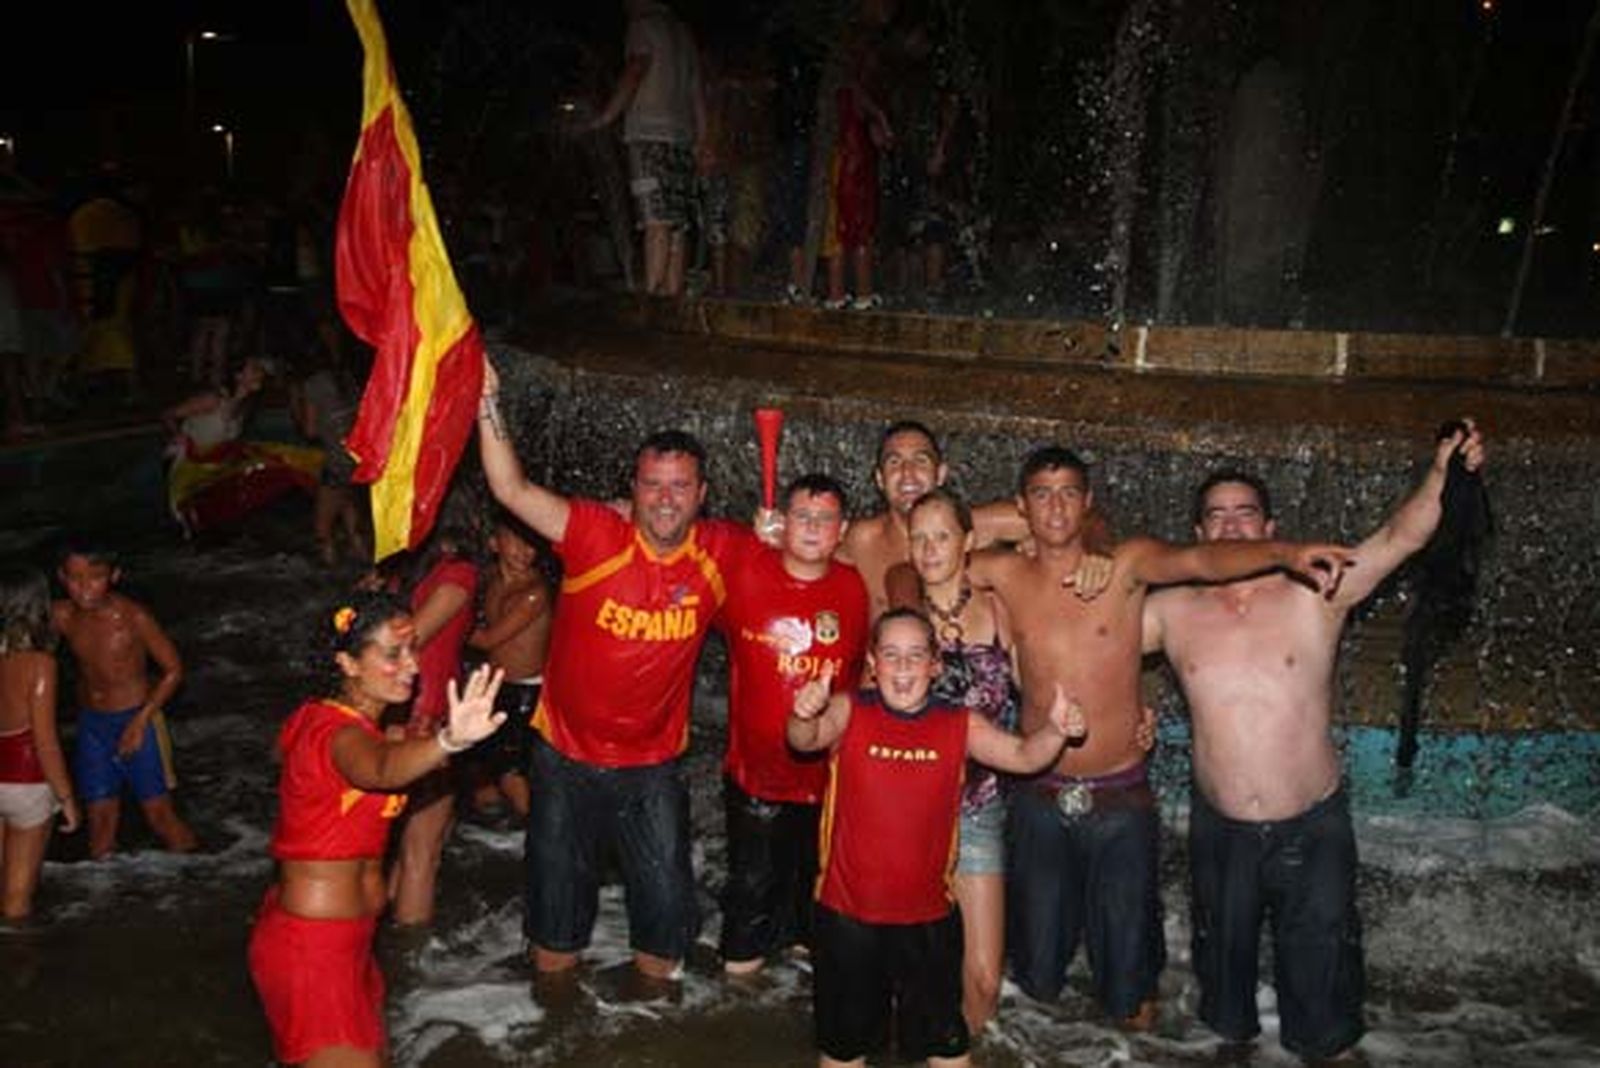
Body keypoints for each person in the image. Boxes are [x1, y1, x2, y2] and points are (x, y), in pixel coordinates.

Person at [967, 446, 1354, 1028]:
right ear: (1022, 506)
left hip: (1121, 798)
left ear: (1089, 502)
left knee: (1131, 989)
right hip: (1039, 793)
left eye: (1070, 493)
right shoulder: (1001, 573)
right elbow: (926, 549)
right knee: (1037, 977)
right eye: (1041, 495)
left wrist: (1288, 553)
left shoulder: (1127, 563)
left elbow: (1200, 561)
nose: (1056, 506)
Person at [1141, 420, 1486, 1060]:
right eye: (1217, 517)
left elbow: (1400, 536)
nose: (1232, 527)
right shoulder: (1169, 610)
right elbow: (1088, 649)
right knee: (1225, 1014)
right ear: (1198, 535)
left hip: (1312, 828)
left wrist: (1443, 471)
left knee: (1325, 1019)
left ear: (1271, 529)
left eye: (1246, 515)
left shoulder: (1317, 588)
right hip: (1220, 834)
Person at [477, 360, 748, 979]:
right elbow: (511, 491)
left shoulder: (722, 551)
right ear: (633, 489)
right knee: (555, 945)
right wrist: (486, 401)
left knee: (663, 944)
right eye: (653, 484)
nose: (665, 498)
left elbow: (805, 560)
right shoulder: (594, 533)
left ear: (702, 495)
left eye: (680, 486)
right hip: (565, 759)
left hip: (652, 771)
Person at [787, 608, 1087, 1068]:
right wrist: (804, 713)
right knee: (844, 1052)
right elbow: (805, 740)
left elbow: (1025, 756)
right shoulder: (850, 710)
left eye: (915, 656)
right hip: (846, 918)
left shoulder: (958, 723)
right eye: (891, 655)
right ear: (872, 663)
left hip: (928, 922)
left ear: (935, 665)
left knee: (946, 1050)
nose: (903, 667)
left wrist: (1054, 731)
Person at [248, 591, 505, 1068]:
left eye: (412, 650)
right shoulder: (339, 736)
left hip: (349, 945)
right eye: (392, 654)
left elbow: (310, 757)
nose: (411, 665)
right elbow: (378, 769)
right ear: (346, 662)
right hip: (313, 953)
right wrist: (449, 740)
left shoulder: (327, 718)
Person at [716, 472, 869, 975]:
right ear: (782, 521)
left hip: (824, 784)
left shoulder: (852, 588)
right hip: (755, 778)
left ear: (841, 529)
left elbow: (857, 682)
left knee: (813, 915)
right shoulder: (744, 566)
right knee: (748, 906)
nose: (812, 527)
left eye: (824, 519)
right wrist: (751, 532)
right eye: (801, 515)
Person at [896, 488, 1017, 1034]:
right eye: (918, 537)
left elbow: (1039, 687)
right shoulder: (900, 616)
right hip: (906, 811)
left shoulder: (998, 608)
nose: (928, 548)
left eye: (941, 535)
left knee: (984, 977)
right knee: (907, 966)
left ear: (967, 542)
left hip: (977, 808)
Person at [52, 540, 197, 859]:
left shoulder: (133, 617)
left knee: (160, 816)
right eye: (75, 578)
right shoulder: (62, 617)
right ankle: (103, 898)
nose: (84, 588)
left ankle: (195, 878)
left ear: (114, 576)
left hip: (137, 720)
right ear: (62, 578)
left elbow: (173, 670)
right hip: (93, 726)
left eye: (95, 577)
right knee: (99, 825)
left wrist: (140, 721)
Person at [836, 420, 1026, 619]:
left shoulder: (964, 525)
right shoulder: (862, 540)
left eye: (920, 461)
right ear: (880, 479)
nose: (907, 473)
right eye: (894, 462)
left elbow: (1046, 520)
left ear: (940, 474)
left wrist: (1035, 544)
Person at [388, 528, 479, 927]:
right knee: (423, 850)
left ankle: (385, 928)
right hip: (427, 714)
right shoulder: (458, 573)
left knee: (403, 843)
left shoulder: (403, 571)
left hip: (400, 710)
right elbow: (408, 641)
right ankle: (408, 957)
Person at [583, 0, 705, 297]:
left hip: (649, 134)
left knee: (655, 218)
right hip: (681, 137)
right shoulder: (682, 32)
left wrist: (606, 116)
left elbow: (636, 68)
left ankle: (652, 299)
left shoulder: (643, 25)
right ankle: (672, 297)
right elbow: (695, 89)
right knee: (677, 222)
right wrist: (702, 139)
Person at [0, 567, 79, 920]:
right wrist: (66, 799)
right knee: (16, 900)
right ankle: (17, 972)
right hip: (26, 783)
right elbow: (46, 742)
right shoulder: (40, 664)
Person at [464, 513, 553, 820]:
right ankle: (494, 829)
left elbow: (488, 640)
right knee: (476, 761)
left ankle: (535, 833)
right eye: (516, 540)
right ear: (494, 544)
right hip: (496, 685)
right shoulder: (489, 578)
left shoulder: (533, 593)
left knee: (512, 770)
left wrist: (444, 623)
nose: (525, 550)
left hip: (525, 691)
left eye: (532, 544)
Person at [289, 351, 365, 565]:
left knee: (322, 529)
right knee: (348, 503)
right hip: (359, 458)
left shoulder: (313, 384)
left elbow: (310, 431)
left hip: (337, 461)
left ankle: (328, 568)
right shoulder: (347, 378)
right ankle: (360, 551)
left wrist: (296, 402)